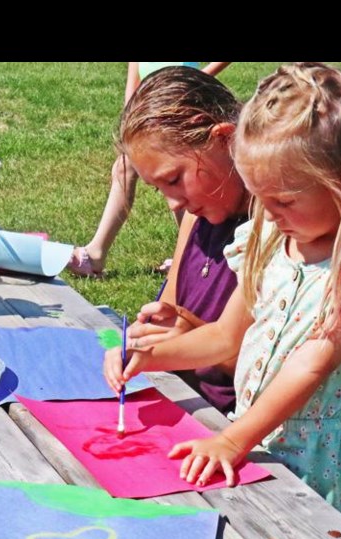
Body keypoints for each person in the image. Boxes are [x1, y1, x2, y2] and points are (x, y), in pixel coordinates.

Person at [105, 62, 341, 539]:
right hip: (253, 438)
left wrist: (233, 438)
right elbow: (225, 336)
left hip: (318, 461)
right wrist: (148, 356)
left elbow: (313, 361)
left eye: (285, 201)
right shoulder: (274, 233)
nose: (268, 214)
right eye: (261, 198)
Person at [103, 66, 250, 414]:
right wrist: (143, 337)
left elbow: (273, 368)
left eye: (174, 178)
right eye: (160, 189)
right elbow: (167, 311)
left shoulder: (272, 230)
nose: (173, 202)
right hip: (181, 404)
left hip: (234, 427)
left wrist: (189, 336)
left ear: (224, 139)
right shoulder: (197, 218)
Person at [67, 62, 230, 278]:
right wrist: (133, 124)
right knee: (126, 167)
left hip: (183, 105)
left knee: (179, 182)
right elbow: (133, 86)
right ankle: (97, 252)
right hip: (150, 117)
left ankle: (192, 254)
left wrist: (192, 80)